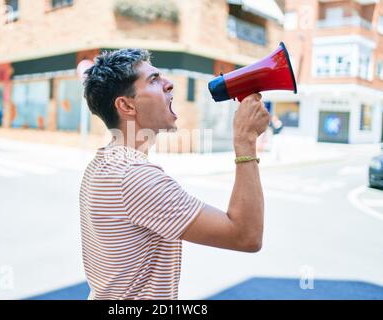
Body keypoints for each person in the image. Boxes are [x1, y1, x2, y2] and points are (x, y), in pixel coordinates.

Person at [80, 48, 270, 300]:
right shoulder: (135, 177)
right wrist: (245, 140)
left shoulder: (102, 163)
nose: (169, 84)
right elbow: (246, 236)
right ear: (126, 105)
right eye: (154, 80)